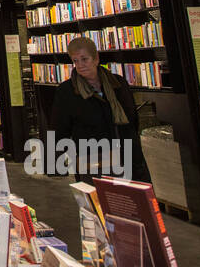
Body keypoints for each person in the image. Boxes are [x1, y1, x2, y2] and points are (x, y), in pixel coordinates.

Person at [52, 36, 147, 183]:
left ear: (96, 59)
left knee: (132, 201)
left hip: (128, 155)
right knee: (99, 203)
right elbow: (60, 128)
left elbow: (132, 118)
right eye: (75, 61)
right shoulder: (67, 91)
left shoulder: (118, 83)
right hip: (92, 159)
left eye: (84, 59)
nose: (80, 65)